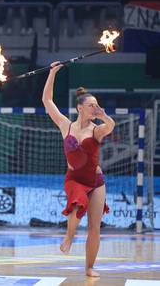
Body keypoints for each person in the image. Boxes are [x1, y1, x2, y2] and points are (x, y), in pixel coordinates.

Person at [42, 62, 115, 278]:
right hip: (74, 179)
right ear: (80, 108)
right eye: (91, 105)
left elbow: (111, 126)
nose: (95, 107)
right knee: (75, 204)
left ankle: (89, 267)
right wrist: (53, 72)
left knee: (95, 227)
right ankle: (69, 236)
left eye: (97, 105)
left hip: (96, 180)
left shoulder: (97, 130)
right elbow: (47, 100)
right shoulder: (66, 125)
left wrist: (104, 116)